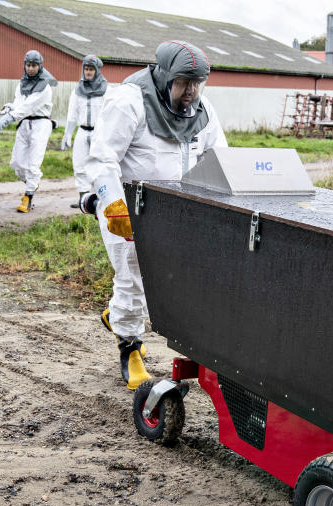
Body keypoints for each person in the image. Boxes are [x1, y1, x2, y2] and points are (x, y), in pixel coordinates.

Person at [80, 41, 227, 390]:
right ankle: (129, 348)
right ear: (164, 76)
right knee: (132, 273)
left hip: (175, 211)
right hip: (129, 207)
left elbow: (220, 159)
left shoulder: (203, 112)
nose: (190, 91)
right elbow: (102, 159)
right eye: (183, 82)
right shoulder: (129, 102)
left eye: (197, 82)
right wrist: (114, 204)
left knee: (169, 280)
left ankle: (117, 315)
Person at [0, 50, 57, 213]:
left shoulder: (45, 87)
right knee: (17, 163)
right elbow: (20, 104)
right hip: (24, 123)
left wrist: (7, 120)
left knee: (33, 164)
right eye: (28, 65)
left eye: (34, 66)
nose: (30, 69)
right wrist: (7, 109)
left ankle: (28, 197)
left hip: (40, 124)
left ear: (40, 66)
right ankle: (32, 184)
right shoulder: (21, 84)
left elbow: (28, 107)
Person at [63, 55, 108, 207]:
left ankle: (100, 198)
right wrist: (68, 134)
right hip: (82, 131)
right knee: (79, 164)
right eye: (86, 69)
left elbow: (110, 113)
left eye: (91, 69)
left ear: (97, 70)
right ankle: (83, 199)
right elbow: (72, 113)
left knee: (99, 165)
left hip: (98, 133)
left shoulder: (106, 89)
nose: (88, 72)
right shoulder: (78, 90)